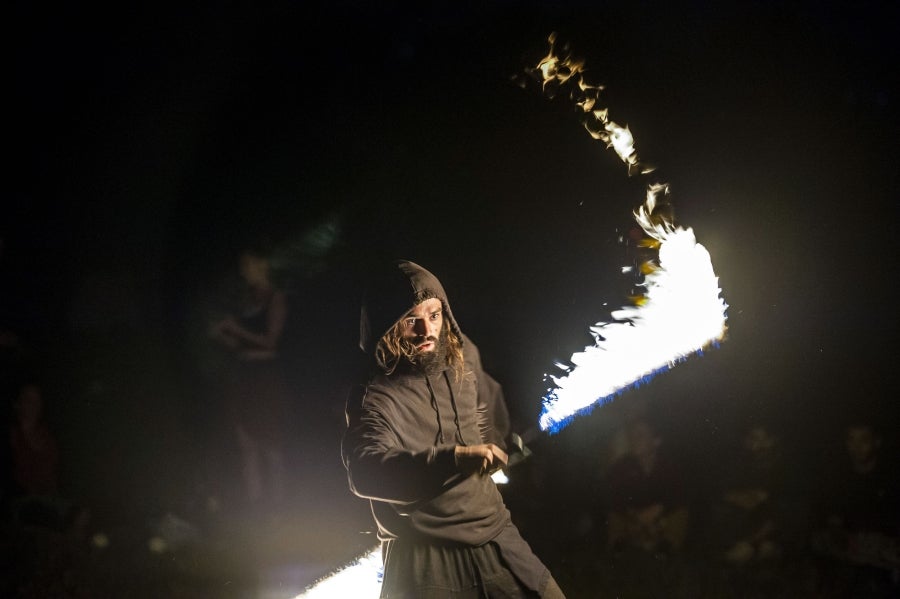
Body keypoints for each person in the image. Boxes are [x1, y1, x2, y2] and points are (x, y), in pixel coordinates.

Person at [342, 260, 565, 598]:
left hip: (493, 532)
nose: (426, 331)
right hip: (423, 555)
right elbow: (366, 470)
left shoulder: (463, 357)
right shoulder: (375, 395)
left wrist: (500, 448)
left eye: (434, 315)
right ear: (387, 325)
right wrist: (454, 458)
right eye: (411, 321)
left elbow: (493, 417)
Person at [208, 245, 291, 513]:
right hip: (245, 376)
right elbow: (241, 346)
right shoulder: (247, 299)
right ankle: (255, 506)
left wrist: (236, 329)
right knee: (246, 442)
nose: (245, 270)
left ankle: (279, 505)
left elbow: (271, 342)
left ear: (262, 264)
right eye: (243, 266)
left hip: (265, 378)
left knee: (269, 441)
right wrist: (224, 336)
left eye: (249, 264)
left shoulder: (275, 298)